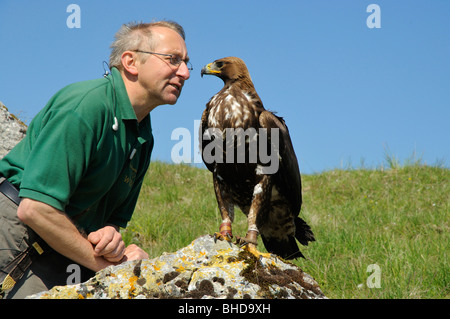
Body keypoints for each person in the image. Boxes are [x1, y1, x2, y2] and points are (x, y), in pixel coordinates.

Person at [0, 20, 191, 299]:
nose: (185, 72)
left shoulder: (143, 137)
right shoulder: (87, 106)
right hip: (19, 239)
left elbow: (109, 223)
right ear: (131, 62)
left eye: (186, 62)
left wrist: (115, 246)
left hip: (66, 250)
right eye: (173, 59)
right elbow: (35, 209)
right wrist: (110, 266)